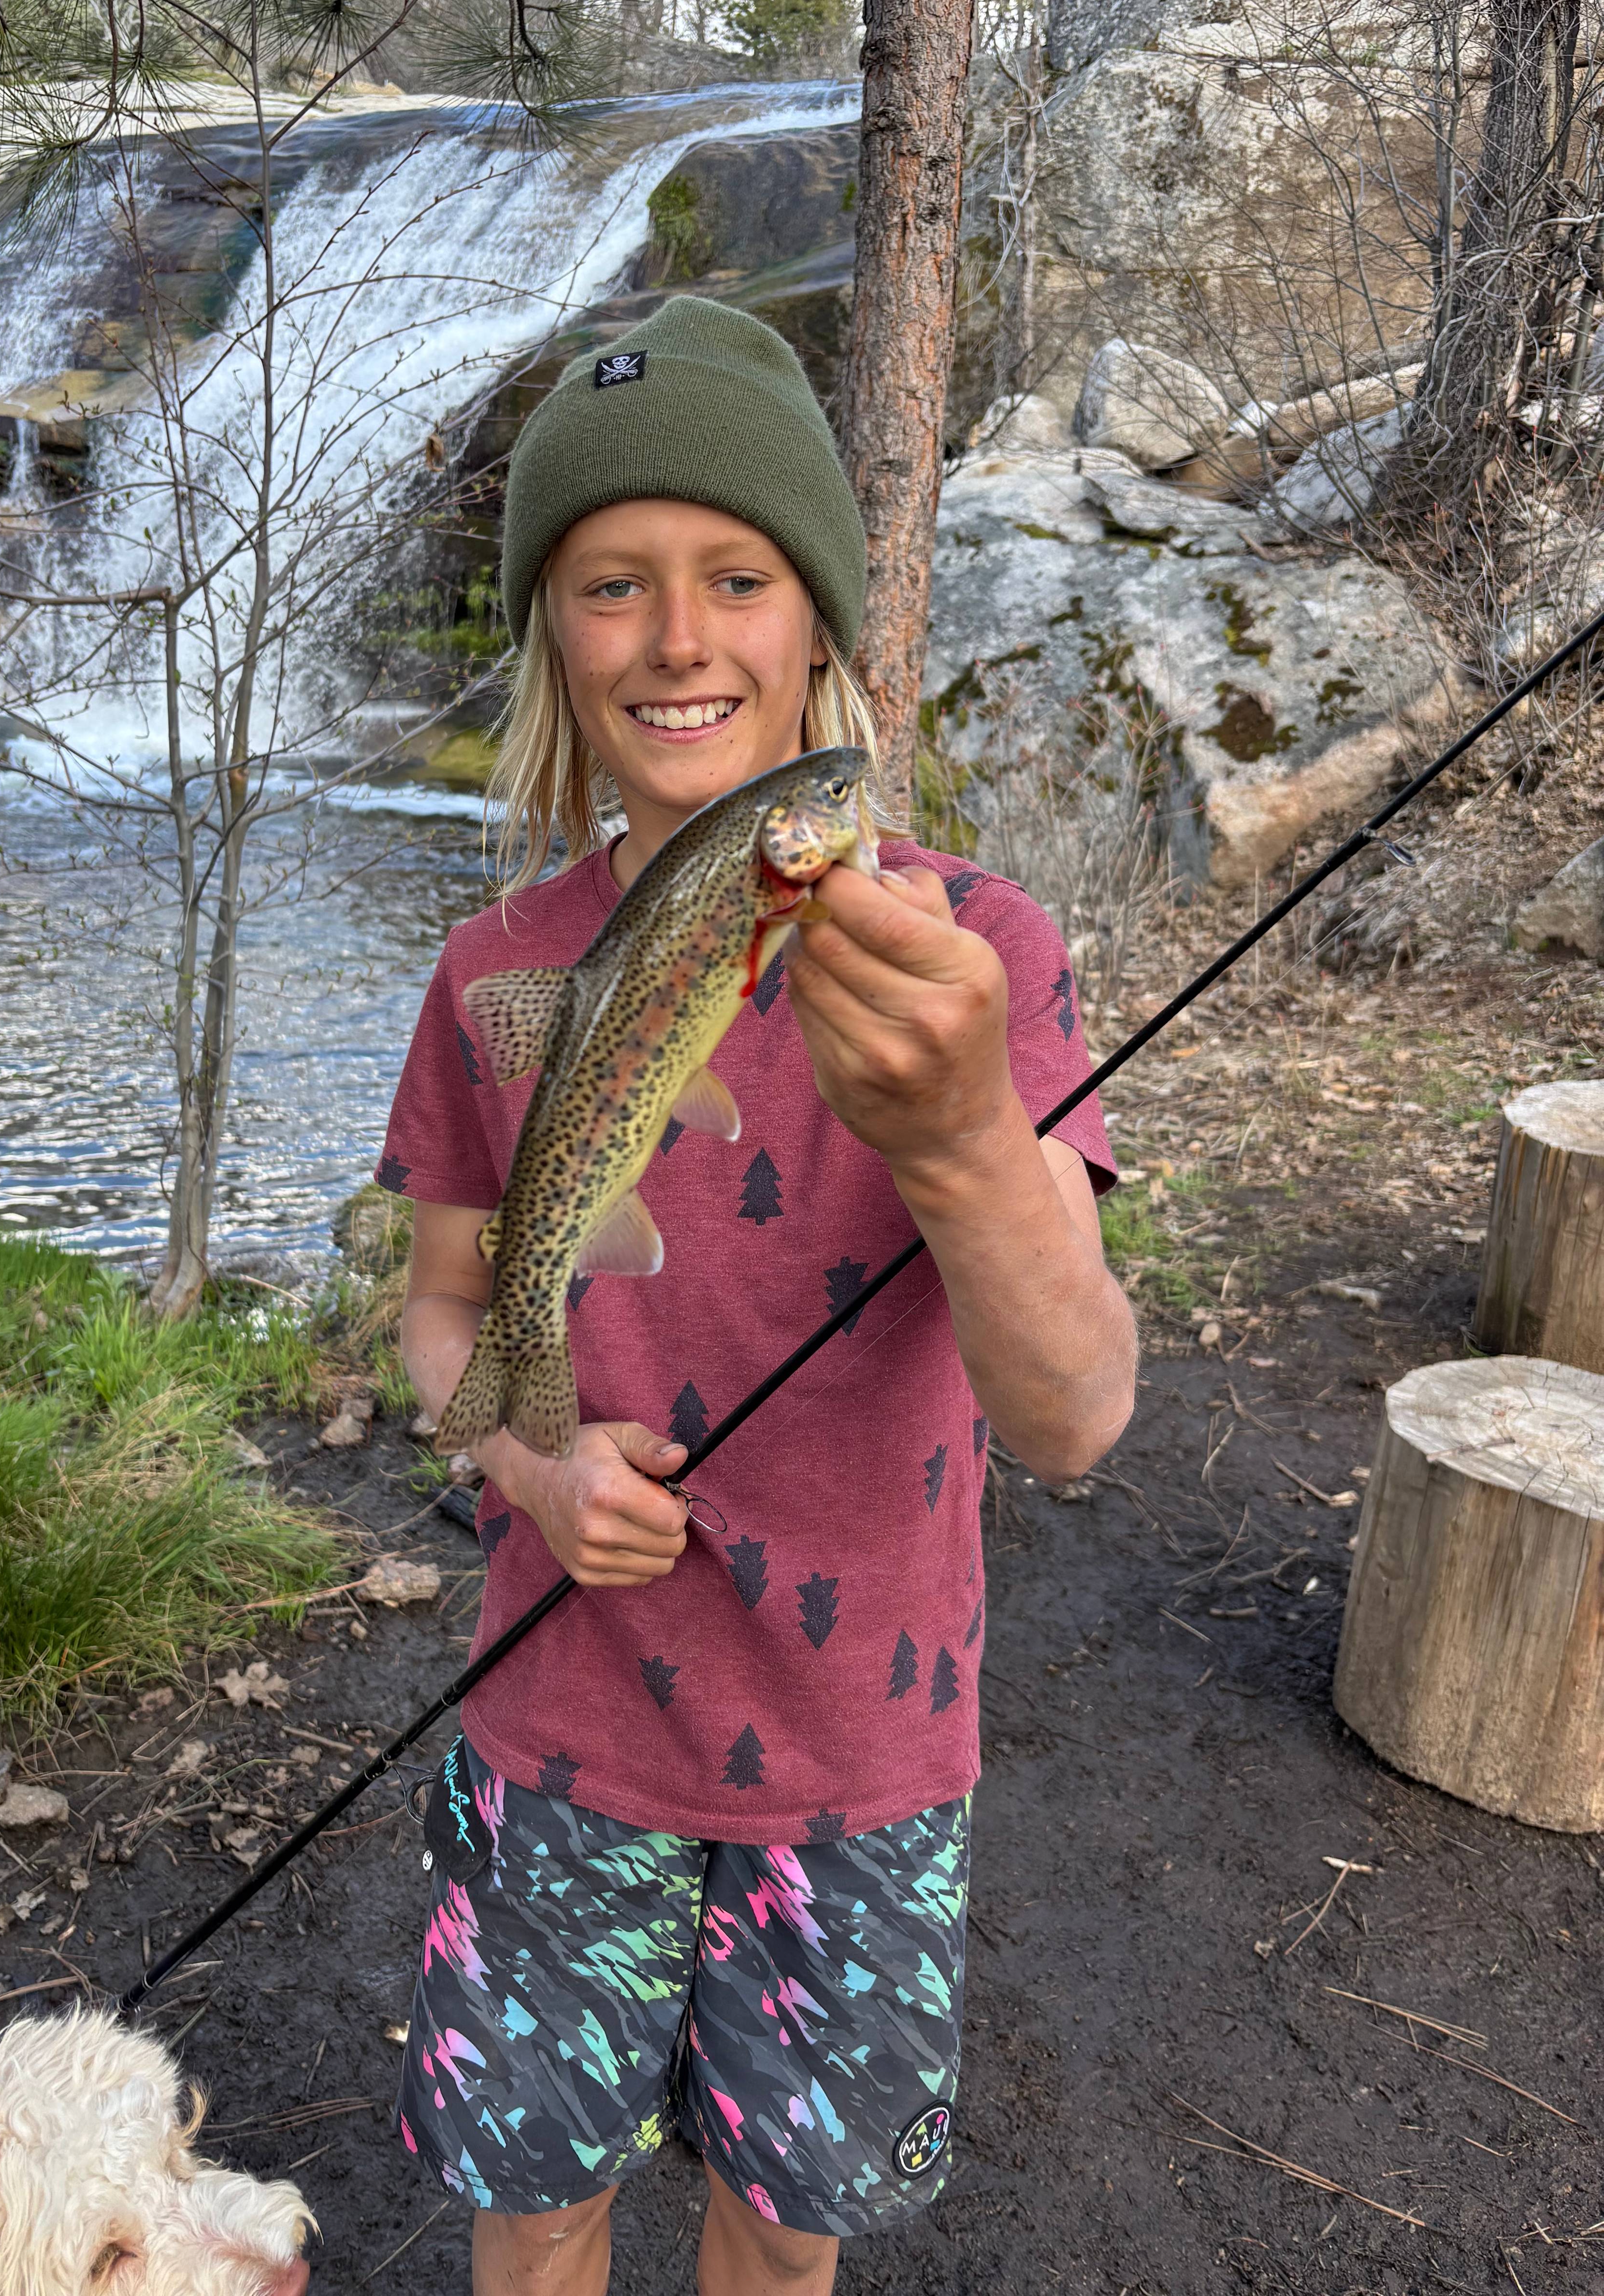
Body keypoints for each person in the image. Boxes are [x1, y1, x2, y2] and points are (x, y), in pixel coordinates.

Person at [377, 296, 1136, 2295]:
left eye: (736, 575)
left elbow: (1073, 1419)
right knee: (537, 2216)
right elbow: (447, 1326)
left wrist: (969, 1129)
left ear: (822, 624)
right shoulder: (490, 970)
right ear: (553, 632)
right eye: (613, 585)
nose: (680, 637)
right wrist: (534, 1472)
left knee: (779, 2246)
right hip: (553, 1725)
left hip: (859, 1762)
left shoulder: (983, 950)